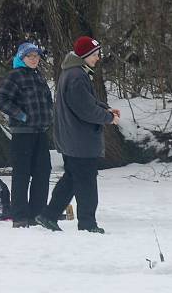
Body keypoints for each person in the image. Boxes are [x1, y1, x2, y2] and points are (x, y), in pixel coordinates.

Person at [34, 36, 119, 234]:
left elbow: (87, 102)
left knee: (72, 179)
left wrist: (106, 109)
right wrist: (108, 118)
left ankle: (48, 215)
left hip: (74, 139)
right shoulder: (76, 76)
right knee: (87, 183)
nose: (98, 58)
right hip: (79, 140)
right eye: (95, 55)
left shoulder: (74, 73)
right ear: (85, 56)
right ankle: (88, 225)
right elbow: (85, 109)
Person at [0, 42, 54, 228]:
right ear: (21, 58)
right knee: (22, 174)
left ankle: (37, 213)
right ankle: (20, 216)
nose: (34, 59)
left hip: (41, 132)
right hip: (22, 133)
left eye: (36, 56)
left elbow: (47, 101)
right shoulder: (14, 76)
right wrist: (21, 115)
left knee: (43, 172)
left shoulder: (39, 77)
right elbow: (1, 100)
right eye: (30, 56)